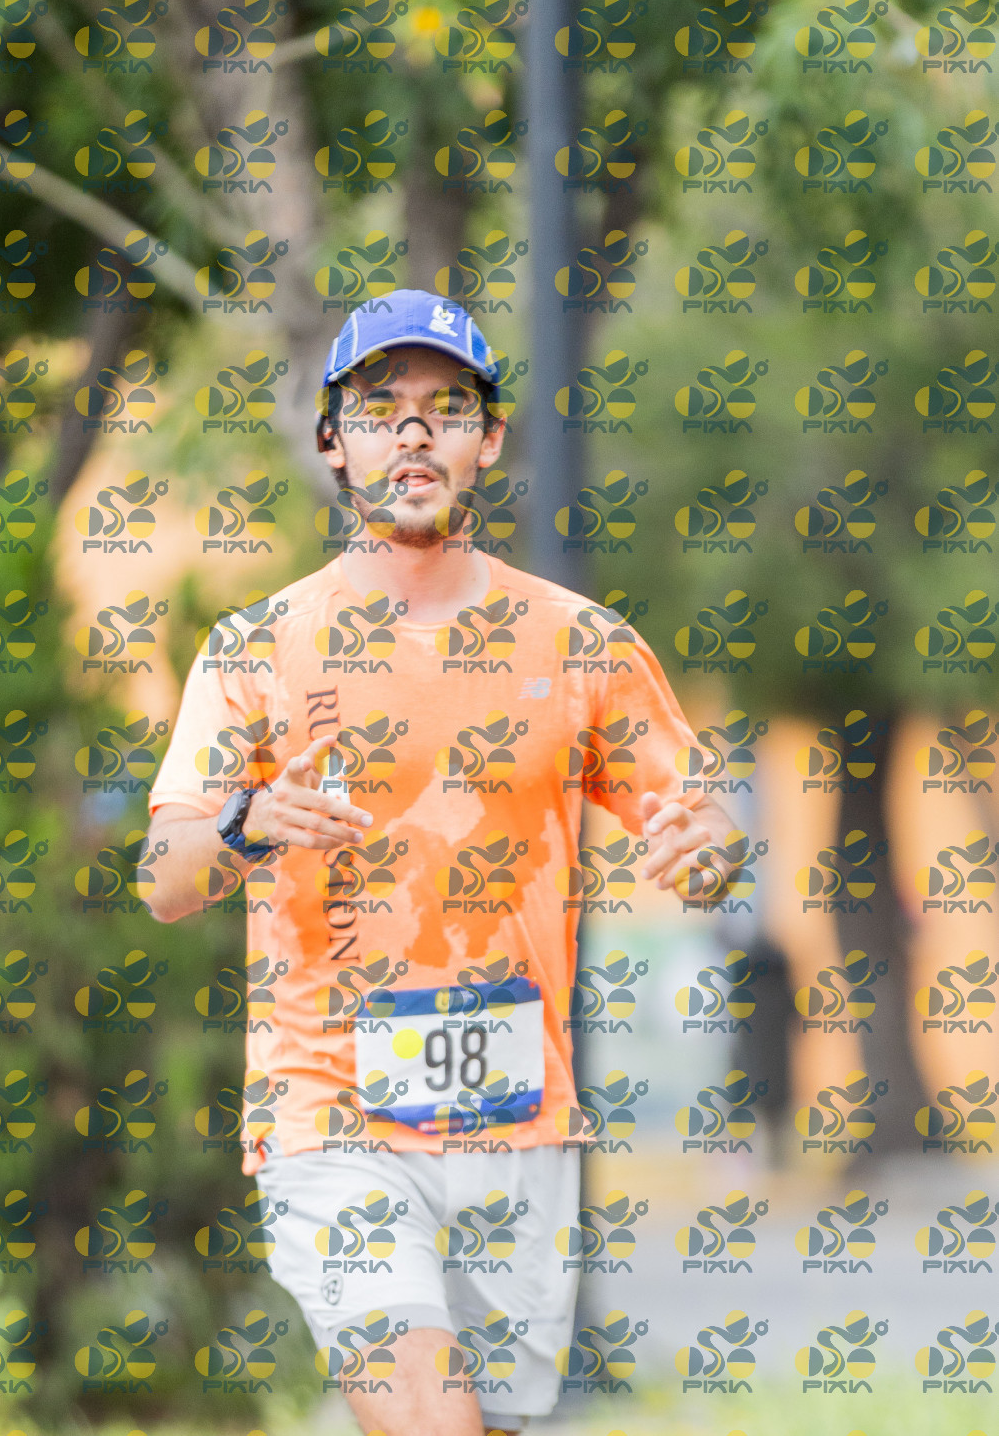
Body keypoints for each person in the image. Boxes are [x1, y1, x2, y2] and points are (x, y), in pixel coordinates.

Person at [146, 289, 737, 1435]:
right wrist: (245, 821)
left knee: (485, 1421)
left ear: (489, 439)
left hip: (517, 1118)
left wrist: (708, 852)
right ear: (335, 441)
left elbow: (701, 834)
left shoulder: (583, 645)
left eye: (446, 408)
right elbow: (165, 877)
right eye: (380, 410)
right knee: (431, 1418)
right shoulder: (256, 649)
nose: (412, 434)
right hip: (332, 1114)